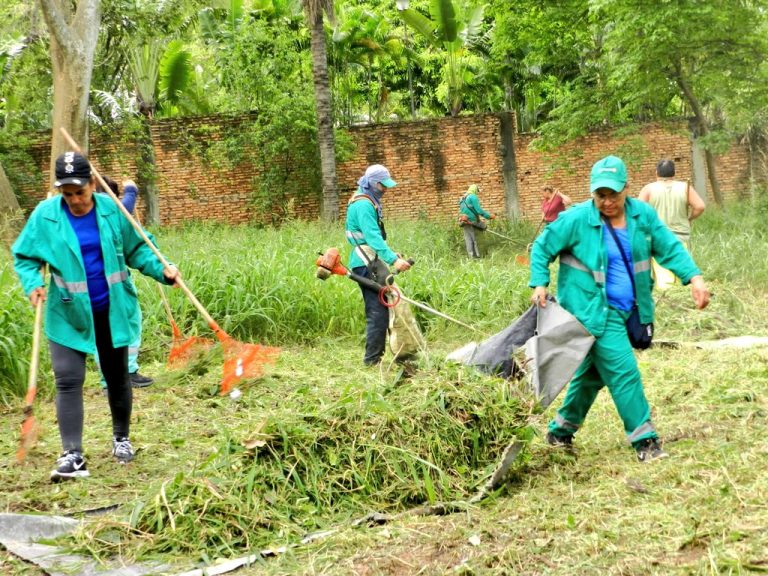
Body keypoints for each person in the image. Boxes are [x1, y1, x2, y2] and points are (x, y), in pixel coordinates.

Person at [529, 155, 710, 463]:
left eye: (614, 194)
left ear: (627, 188)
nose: (608, 201)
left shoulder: (643, 216)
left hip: (631, 309)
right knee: (624, 371)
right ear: (592, 193)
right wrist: (540, 283)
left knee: (593, 375)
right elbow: (543, 246)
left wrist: (694, 277)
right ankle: (645, 440)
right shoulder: (577, 219)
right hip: (592, 311)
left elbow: (668, 247)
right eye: (601, 195)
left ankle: (560, 431)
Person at [12, 151, 179, 481]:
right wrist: (33, 284)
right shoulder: (46, 216)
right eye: (67, 193)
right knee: (67, 378)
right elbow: (25, 256)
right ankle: (72, 455)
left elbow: (140, 249)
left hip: (111, 309)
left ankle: (121, 439)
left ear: (92, 184)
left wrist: (163, 270)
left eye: (80, 192)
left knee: (117, 377)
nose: (75, 200)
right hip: (67, 311)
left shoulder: (112, 211)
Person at [345, 164, 411, 366]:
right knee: (377, 311)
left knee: (385, 307)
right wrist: (393, 260)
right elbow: (373, 238)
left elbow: (372, 239)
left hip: (370, 259)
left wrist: (391, 254)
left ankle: (391, 355)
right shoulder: (364, 205)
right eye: (383, 185)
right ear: (373, 183)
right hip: (365, 263)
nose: (386, 189)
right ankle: (372, 360)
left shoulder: (365, 200)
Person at [94, 177, 154, 389]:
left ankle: (118, 376)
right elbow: (123, 207)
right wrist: (131, 190)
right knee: (119, 327)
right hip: (109, 286)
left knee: (106, 331)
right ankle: (122, 374)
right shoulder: (104, 206)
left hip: (112, 283)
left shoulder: (92, 210)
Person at [638, 159, 706, 290]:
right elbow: (700, 206)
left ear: (656, 172)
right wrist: (689, 218)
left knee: (663, 271)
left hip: (658, 237)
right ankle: (682, 293)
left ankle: (667, 297)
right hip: (681, 236)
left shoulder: (648, 189)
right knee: (682, 267)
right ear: (674, 172)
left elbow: (638, 212)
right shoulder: (685, 187)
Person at [458, 184, 496, 258]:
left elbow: (463, 211)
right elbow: (479, 210)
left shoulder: (462, 199)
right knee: (478, 240)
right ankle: (480, 257)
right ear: (475, 190)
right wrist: (489, 216)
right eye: (477, 191)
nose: (477, 193)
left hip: (464, 222)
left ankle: (471, 257)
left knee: (468, 240)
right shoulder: (473, 197)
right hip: (473, 222)